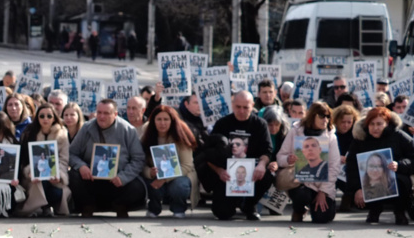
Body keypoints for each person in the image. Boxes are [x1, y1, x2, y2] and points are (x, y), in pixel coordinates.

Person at [196, 91, 273, 221]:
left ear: (252, 105)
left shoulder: (260, 124)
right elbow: (208, 154)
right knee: (223, 214)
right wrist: (219, 171)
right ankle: (232, 203)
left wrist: (261, 164)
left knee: (267, 176)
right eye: (238, 107)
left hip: (251, 173)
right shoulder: (222, 123)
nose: (242, 111)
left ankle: (249, 205)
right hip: (226, 175)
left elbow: (268, 151)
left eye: (246, 107)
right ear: (232, 105)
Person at [69, 99, 147, 218]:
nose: (101, 116)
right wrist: (81, 166)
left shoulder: (128, 130)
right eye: (99, 112)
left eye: (106, 113)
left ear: (115, 114)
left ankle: (120, 205)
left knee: (138, 188)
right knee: (73, 175)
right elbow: (71, 153)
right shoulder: (86, 128)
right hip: (91, 180)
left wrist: (123, 177)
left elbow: (138, 159)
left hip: (118, 181)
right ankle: (87, 206)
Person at [345, 106, 414, 224]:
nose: (375, 128)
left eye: (379, 124)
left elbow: (412, 157)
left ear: (387, 123)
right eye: (372, 124)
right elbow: (351, 167)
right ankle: (374, 210)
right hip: (370, 182)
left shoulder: (399, 136)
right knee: (371, 178)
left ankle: (399, 211)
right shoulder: (360, 139)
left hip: (397, 178)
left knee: (401, 181)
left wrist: (400, 165)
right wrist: (357, 189)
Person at [277, 103, 339, 224]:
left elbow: (334, 167)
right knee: (302, 195)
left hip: (322, 185)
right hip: (301, 183)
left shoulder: (331, 136)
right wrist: (287, 160)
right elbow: (280, 156)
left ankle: (327, 207)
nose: (325, 119)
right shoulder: (295, 131)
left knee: (322, 218)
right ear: (312, 116)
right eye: (322, 116)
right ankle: (299, 210)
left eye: (328, 116)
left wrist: (323, 192)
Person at [140, 105, 198, 218]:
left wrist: (165, 178)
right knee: (149, 183)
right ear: (153, 121)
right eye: (159, 119)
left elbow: (187, 166)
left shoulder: (180, 136)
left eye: (166, 119)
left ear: (172, 121)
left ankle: (179, 208)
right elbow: (140, 163)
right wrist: (149, 172)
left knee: (179, 186)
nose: (162, 123)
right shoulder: (146, 136)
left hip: (180, 175)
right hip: (156, 175)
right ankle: (154, 208)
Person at [17, 104, 69, 217]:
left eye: (49, 116)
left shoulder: (62, 134)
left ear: (54, 118)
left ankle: (48, 206)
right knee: (40, 184)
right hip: (32, 178)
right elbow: (24, 159)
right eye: (42, 116)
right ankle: (40, 208)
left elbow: (64, 159)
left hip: (55, 177)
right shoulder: (29, 133)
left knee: (58, 192)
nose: (45, 119)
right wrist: (30, 172)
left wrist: (58, 175)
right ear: (37, 117)